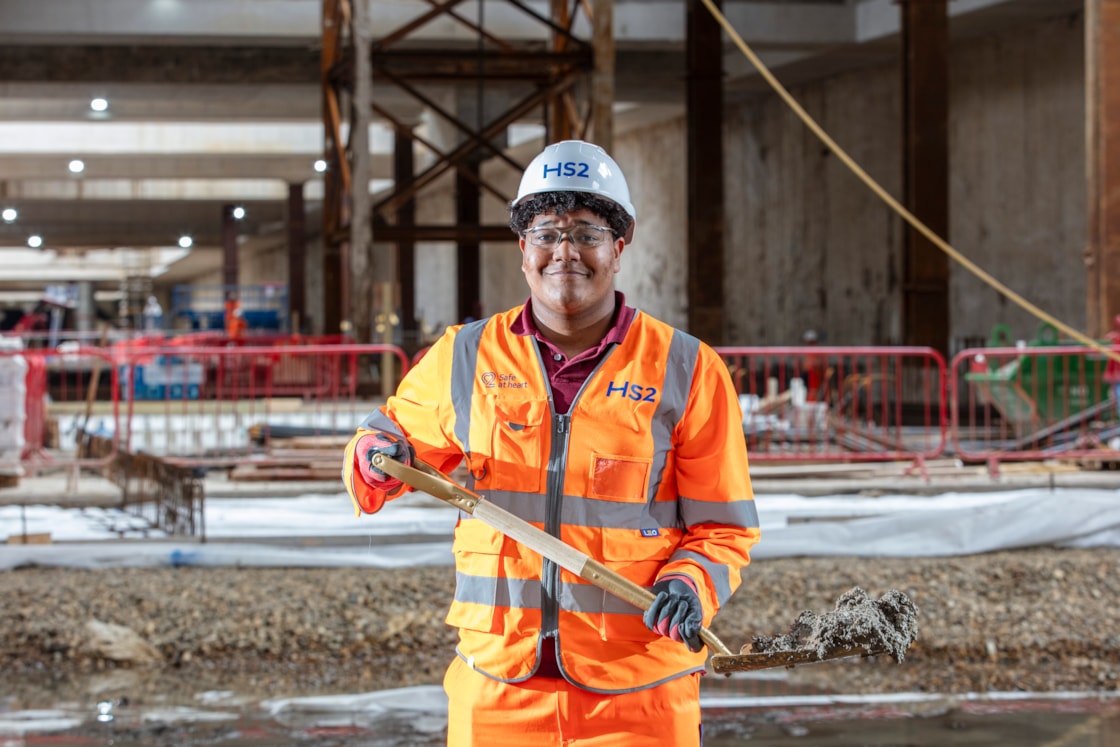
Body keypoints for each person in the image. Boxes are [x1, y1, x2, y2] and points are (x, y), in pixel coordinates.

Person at [342, 139, 760, 746]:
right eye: (547, 232)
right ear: (523, 249)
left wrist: (689, 584)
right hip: (498, 691)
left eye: (587, 233)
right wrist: (374, 459)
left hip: (639, 690)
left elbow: (725, 527)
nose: (565, 251)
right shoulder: (465, 356)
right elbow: (384, 438)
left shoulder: (686, 368)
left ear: (619, 248)